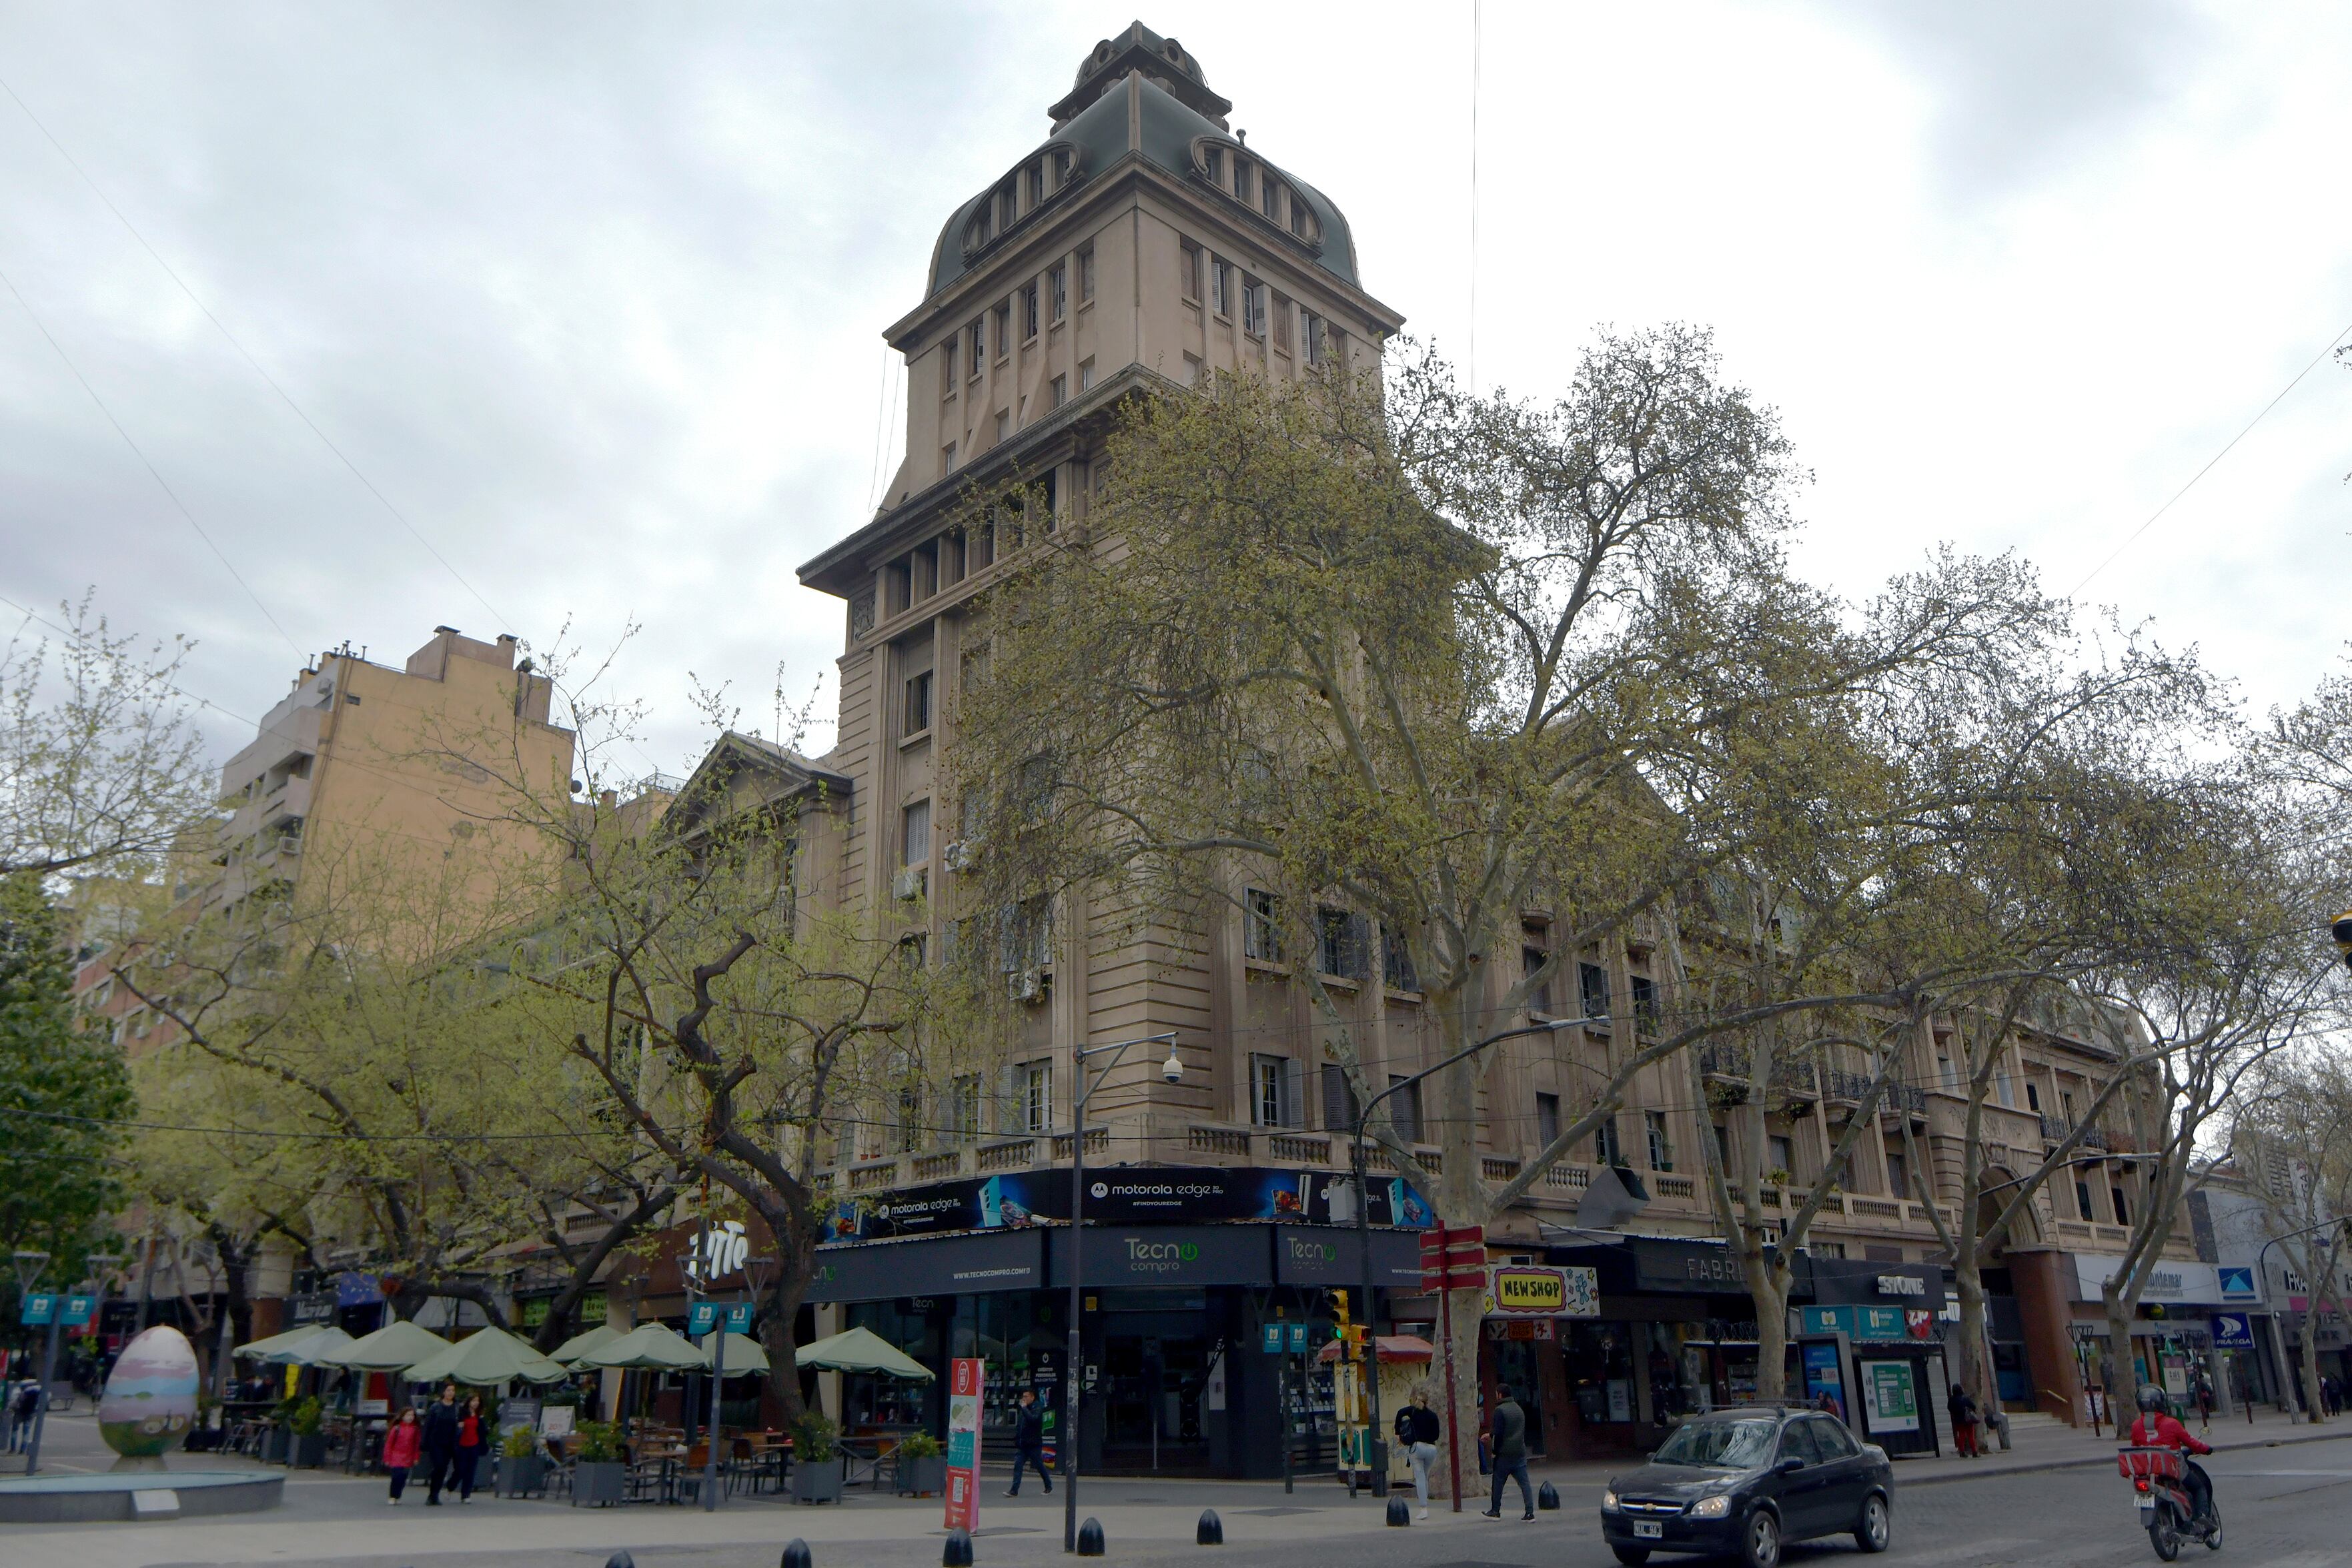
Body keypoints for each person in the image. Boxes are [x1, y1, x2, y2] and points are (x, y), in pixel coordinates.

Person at [2128, 1383, 2215, 1527]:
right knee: (2199, 1487)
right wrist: (2206, 1449)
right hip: (2172, 1469)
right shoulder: (2172, 1424)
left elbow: (2135, 1448)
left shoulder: (2136, 1426)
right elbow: (2191, 1442)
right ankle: (2202, 1516)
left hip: (2149, 1473)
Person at [1480, 1384, 1533, 1521]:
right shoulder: (1518, 1409)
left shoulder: (1500, 1411)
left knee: (1498, 1483)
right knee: (1524, 1483)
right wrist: (1490, 1434)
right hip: (1520, 1452)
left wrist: (1494, 1451)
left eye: (1496, 1393)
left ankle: (1495, 1510)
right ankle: (1530, 1512)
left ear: (1500, 1395)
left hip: (1504, 1454)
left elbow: (1499, 1432)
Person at [1393, 1387, 1441, 1521]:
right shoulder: (1433, 1416)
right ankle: (1425, 1504)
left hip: (1417, 1447)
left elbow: (1400, 1413)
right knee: (1425, 1477)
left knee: (1419, 1477)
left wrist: (1398, 1432)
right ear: (1428, 1402)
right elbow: (1436, 1435)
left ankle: (1423, 1508)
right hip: (1431, 1448)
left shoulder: (1412, 1412)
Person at [1005, 1387, 1051, 1496]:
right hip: (1023, 1444)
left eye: (1026, 1397)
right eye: (1023, 1397)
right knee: (1018, 1465)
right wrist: (1017, 1439)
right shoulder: (1023, 1409)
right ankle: (1014, 1490)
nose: (1024, 1399)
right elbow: (1020, 1425)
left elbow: (1033, 1420)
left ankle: (1048, 1485)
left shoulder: (1038, 1407)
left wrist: (1025, 1409)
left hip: (1034, 1444)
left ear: (1032, 1397)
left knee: (1039, 1465)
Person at [422, 1383, 461, 1505]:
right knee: (439, 1467)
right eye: (448, 1390)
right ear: (443, 1392)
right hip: (436, 1442)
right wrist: (424, 1442)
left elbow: (460, 1422)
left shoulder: (457, 1408)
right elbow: (428, 1426)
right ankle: (432, 1495)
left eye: (453, 1390)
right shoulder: (436, 1407)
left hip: (451, 1443)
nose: (451, 1393)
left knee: (444, 1469)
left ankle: (435, 1495)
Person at [382, 1407, 422, 1505]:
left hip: (408, 1457)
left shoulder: (415, 1430)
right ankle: (392, 1496)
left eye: (412, 1415)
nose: (410, 1417)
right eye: (408, 1415)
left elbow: (417, 1445)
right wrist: (387, 1458)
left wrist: (416, 1457)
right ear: (403, 1416)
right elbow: (389, 1444)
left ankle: (398, 1495)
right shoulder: (396, 1429)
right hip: (396, 1456)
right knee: (396, 1477)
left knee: (403, 1478)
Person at [454, 1392, 487, 1503]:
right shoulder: (462, 1413)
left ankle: (466, 1494)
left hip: (474, 1445)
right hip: (462, 1445)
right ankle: (451, 1485)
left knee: (471, 1471)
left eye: (477, 1401)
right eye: (473, 1401)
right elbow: (456, 1428)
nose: (476, 1403)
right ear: (469, 1402)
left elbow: (482, 1431)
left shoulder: (479, 1415)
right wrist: (459, 1427)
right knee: (461, 1470)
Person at [1946, 1383, 1980, 1458]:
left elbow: (1949, 1408)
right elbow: (1973, 1406)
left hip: (1958, 1421)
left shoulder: (1951, 1400)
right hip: (1968, 1420)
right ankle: (1974, 1452)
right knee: (1971, 1436)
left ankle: (1962, 1452)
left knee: (1961, 1436)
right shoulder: (1966, 1398)